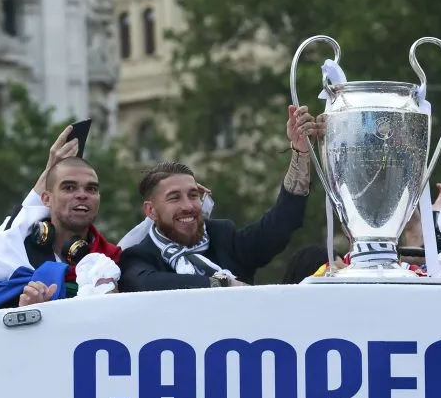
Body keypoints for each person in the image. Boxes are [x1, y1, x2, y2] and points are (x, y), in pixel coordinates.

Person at [0, 131, 121, 354]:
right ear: (46, 198)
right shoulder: (13, 252)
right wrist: (22, 316)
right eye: (69, 187)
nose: (82, 195)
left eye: (91, 189)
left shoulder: (114, 260)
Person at [118, 105, 313, 291]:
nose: (188, 206)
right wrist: (221, 284)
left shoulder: (222, 237)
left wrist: (301, 153)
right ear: (150, 210)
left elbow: (280, 224)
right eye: (174, 198)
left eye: (193, 195)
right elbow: (146, 284)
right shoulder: (139, 255)